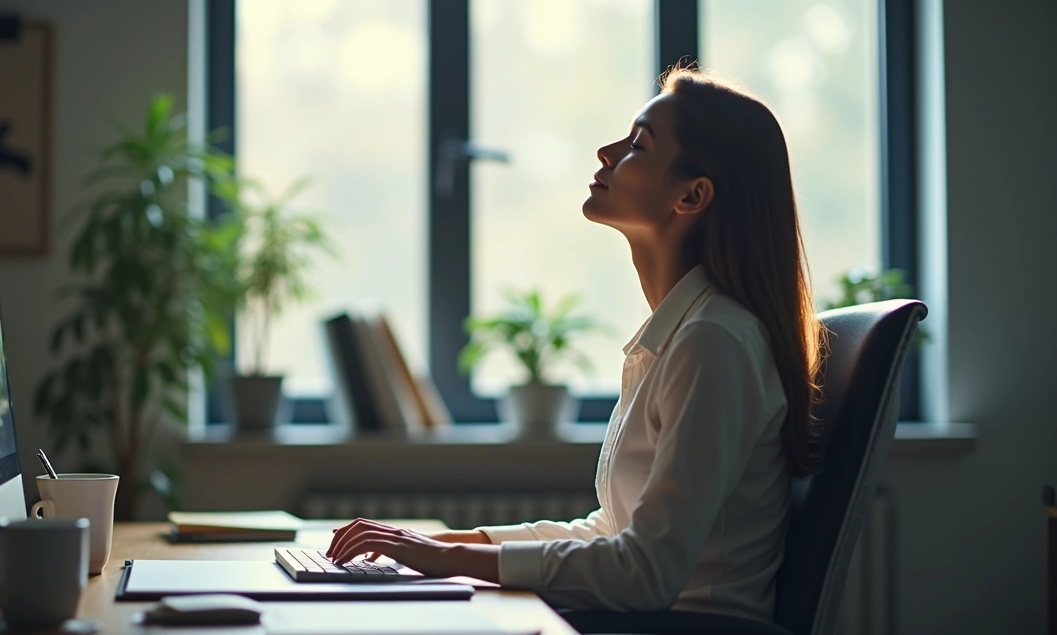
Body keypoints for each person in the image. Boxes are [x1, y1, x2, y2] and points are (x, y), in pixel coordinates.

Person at [325, 66, 826, 622]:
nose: (607, 152)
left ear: (692, 196)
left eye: (638, 144)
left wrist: (451, 558)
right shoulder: (684, 332)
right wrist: (445, 545)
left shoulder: (715, 342)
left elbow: (645, 573)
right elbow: (610, 532)